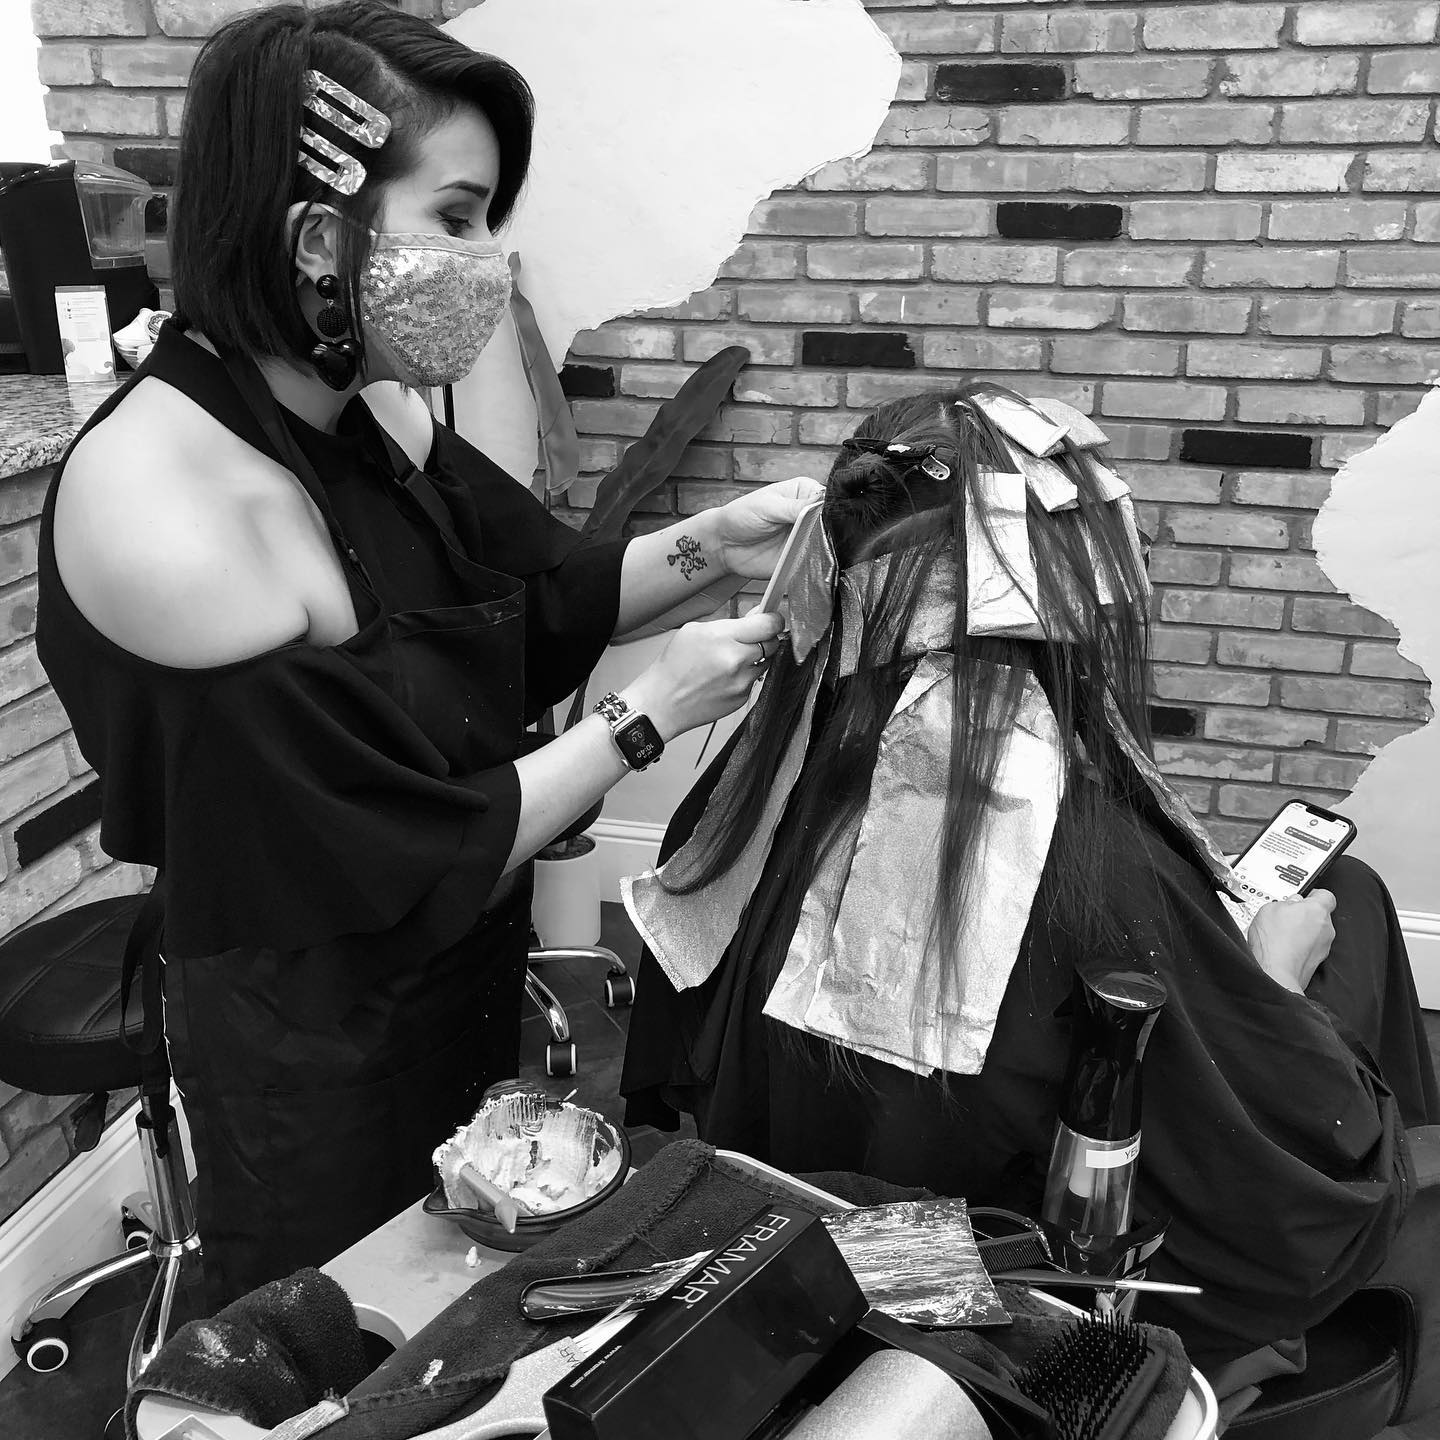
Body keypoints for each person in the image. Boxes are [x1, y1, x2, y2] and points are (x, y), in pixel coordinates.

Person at [36, 0, 819, 1307]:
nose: (486, 263)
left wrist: (719, 543)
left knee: (459, 1296)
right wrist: (644, 719)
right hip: (308, 1037)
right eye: (455, 219)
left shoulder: (378, 414)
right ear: (316, 233)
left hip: (456, 972)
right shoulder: (168, 510)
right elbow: (390, 843)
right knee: (335, 1337)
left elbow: (544, 594)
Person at [620, 383, 1440, 1381]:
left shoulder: (740, 796)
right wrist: (1274, 983)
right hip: (995, 1299)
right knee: (1350, 900)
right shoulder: (1097, 876)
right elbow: (1290, 1211)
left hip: (793, 1253)